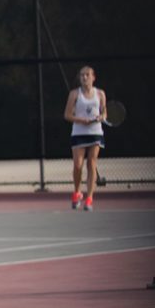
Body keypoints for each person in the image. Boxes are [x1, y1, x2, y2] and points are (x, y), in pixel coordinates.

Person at [63, 65, 106, 211]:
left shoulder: (100, 94)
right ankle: (77, 192)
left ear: (93, 77)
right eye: (82, 75)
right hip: (78, 133)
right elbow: (67, 115)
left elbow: (104, 113)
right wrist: (82, 121)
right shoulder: (74, 94)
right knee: (78, 165)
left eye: (87, 75)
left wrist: (101, 117)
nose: (84, 77)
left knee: (92, 164)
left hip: (95, 132)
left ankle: (89, 198)